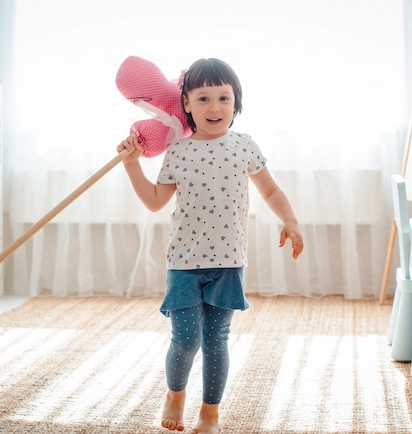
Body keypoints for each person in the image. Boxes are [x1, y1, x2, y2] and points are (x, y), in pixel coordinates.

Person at [117, 58, 303, 434]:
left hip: (228, 262)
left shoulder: (244, 146)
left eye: (223, 97)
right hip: (184, 263)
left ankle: (210, 413)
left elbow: (271, 189)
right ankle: (175, 394)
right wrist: (133, 165)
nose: (214, 107)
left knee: (217, 341)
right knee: (186, 340)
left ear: (236, 103)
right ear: (186, 104)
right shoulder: (179, 151)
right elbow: (155, 201)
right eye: (203, 99)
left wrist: (290, 219)